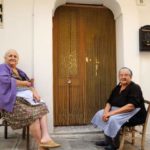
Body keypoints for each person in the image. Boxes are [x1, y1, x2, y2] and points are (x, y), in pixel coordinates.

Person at [0, 49, 60, 150]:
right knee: (34, 117)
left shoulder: (19, 72)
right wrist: (24, 84)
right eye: (10, 56)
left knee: (41, 105)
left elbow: (30, 83)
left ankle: (45, 137)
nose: (13, 58)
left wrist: (35, 92)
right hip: (12, 103)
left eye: (15, 56)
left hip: (24, 100)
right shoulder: (2, 68)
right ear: (5, 58)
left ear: (18, 60)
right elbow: (4, 80)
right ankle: (41, 145)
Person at [91, 67, 147, 150]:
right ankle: (108, 140)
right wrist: (106, 113)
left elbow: (131, 106)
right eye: (121, 75)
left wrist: (110, 114)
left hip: (134, 114)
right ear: (119, 76)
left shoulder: (135, 88)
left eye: (126, 75)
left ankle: (114, 144)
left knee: (113, 119)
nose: (123, 77)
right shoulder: (117, 87)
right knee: (100, 113)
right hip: (120, 110)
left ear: (130, 77)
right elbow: (109, 102)